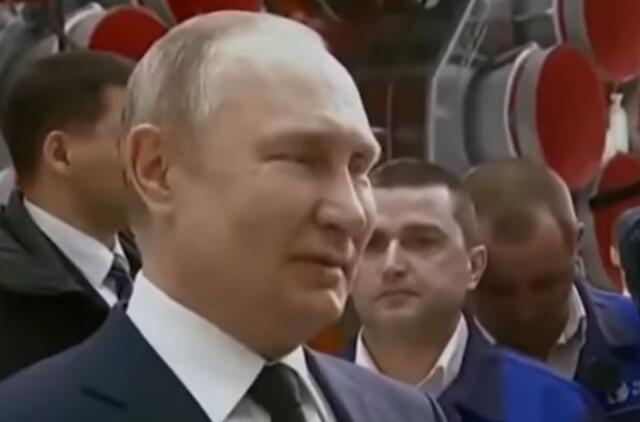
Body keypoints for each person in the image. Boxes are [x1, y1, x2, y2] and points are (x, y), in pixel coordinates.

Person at [0, 12, 446, 422]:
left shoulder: (408, 414)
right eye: (301, 158)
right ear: (157, 169)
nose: (350, 212)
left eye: (360, 167)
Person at [345, 158, 605, 421]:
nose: (393, 265)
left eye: (422, 242)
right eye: (371, 244)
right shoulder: (318, 400)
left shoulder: (556, 407)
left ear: (474, 265)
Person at [0, 51, 140, 381]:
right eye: (133, 141)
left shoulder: (171, 268)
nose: (156, 162)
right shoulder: (12, 305)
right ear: (61, 154)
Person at [465, 158, 640, 421]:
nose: (525, 312)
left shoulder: (635, 329)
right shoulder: (432, 370)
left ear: (576, 244)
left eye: (545, 285)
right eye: (500, 292)